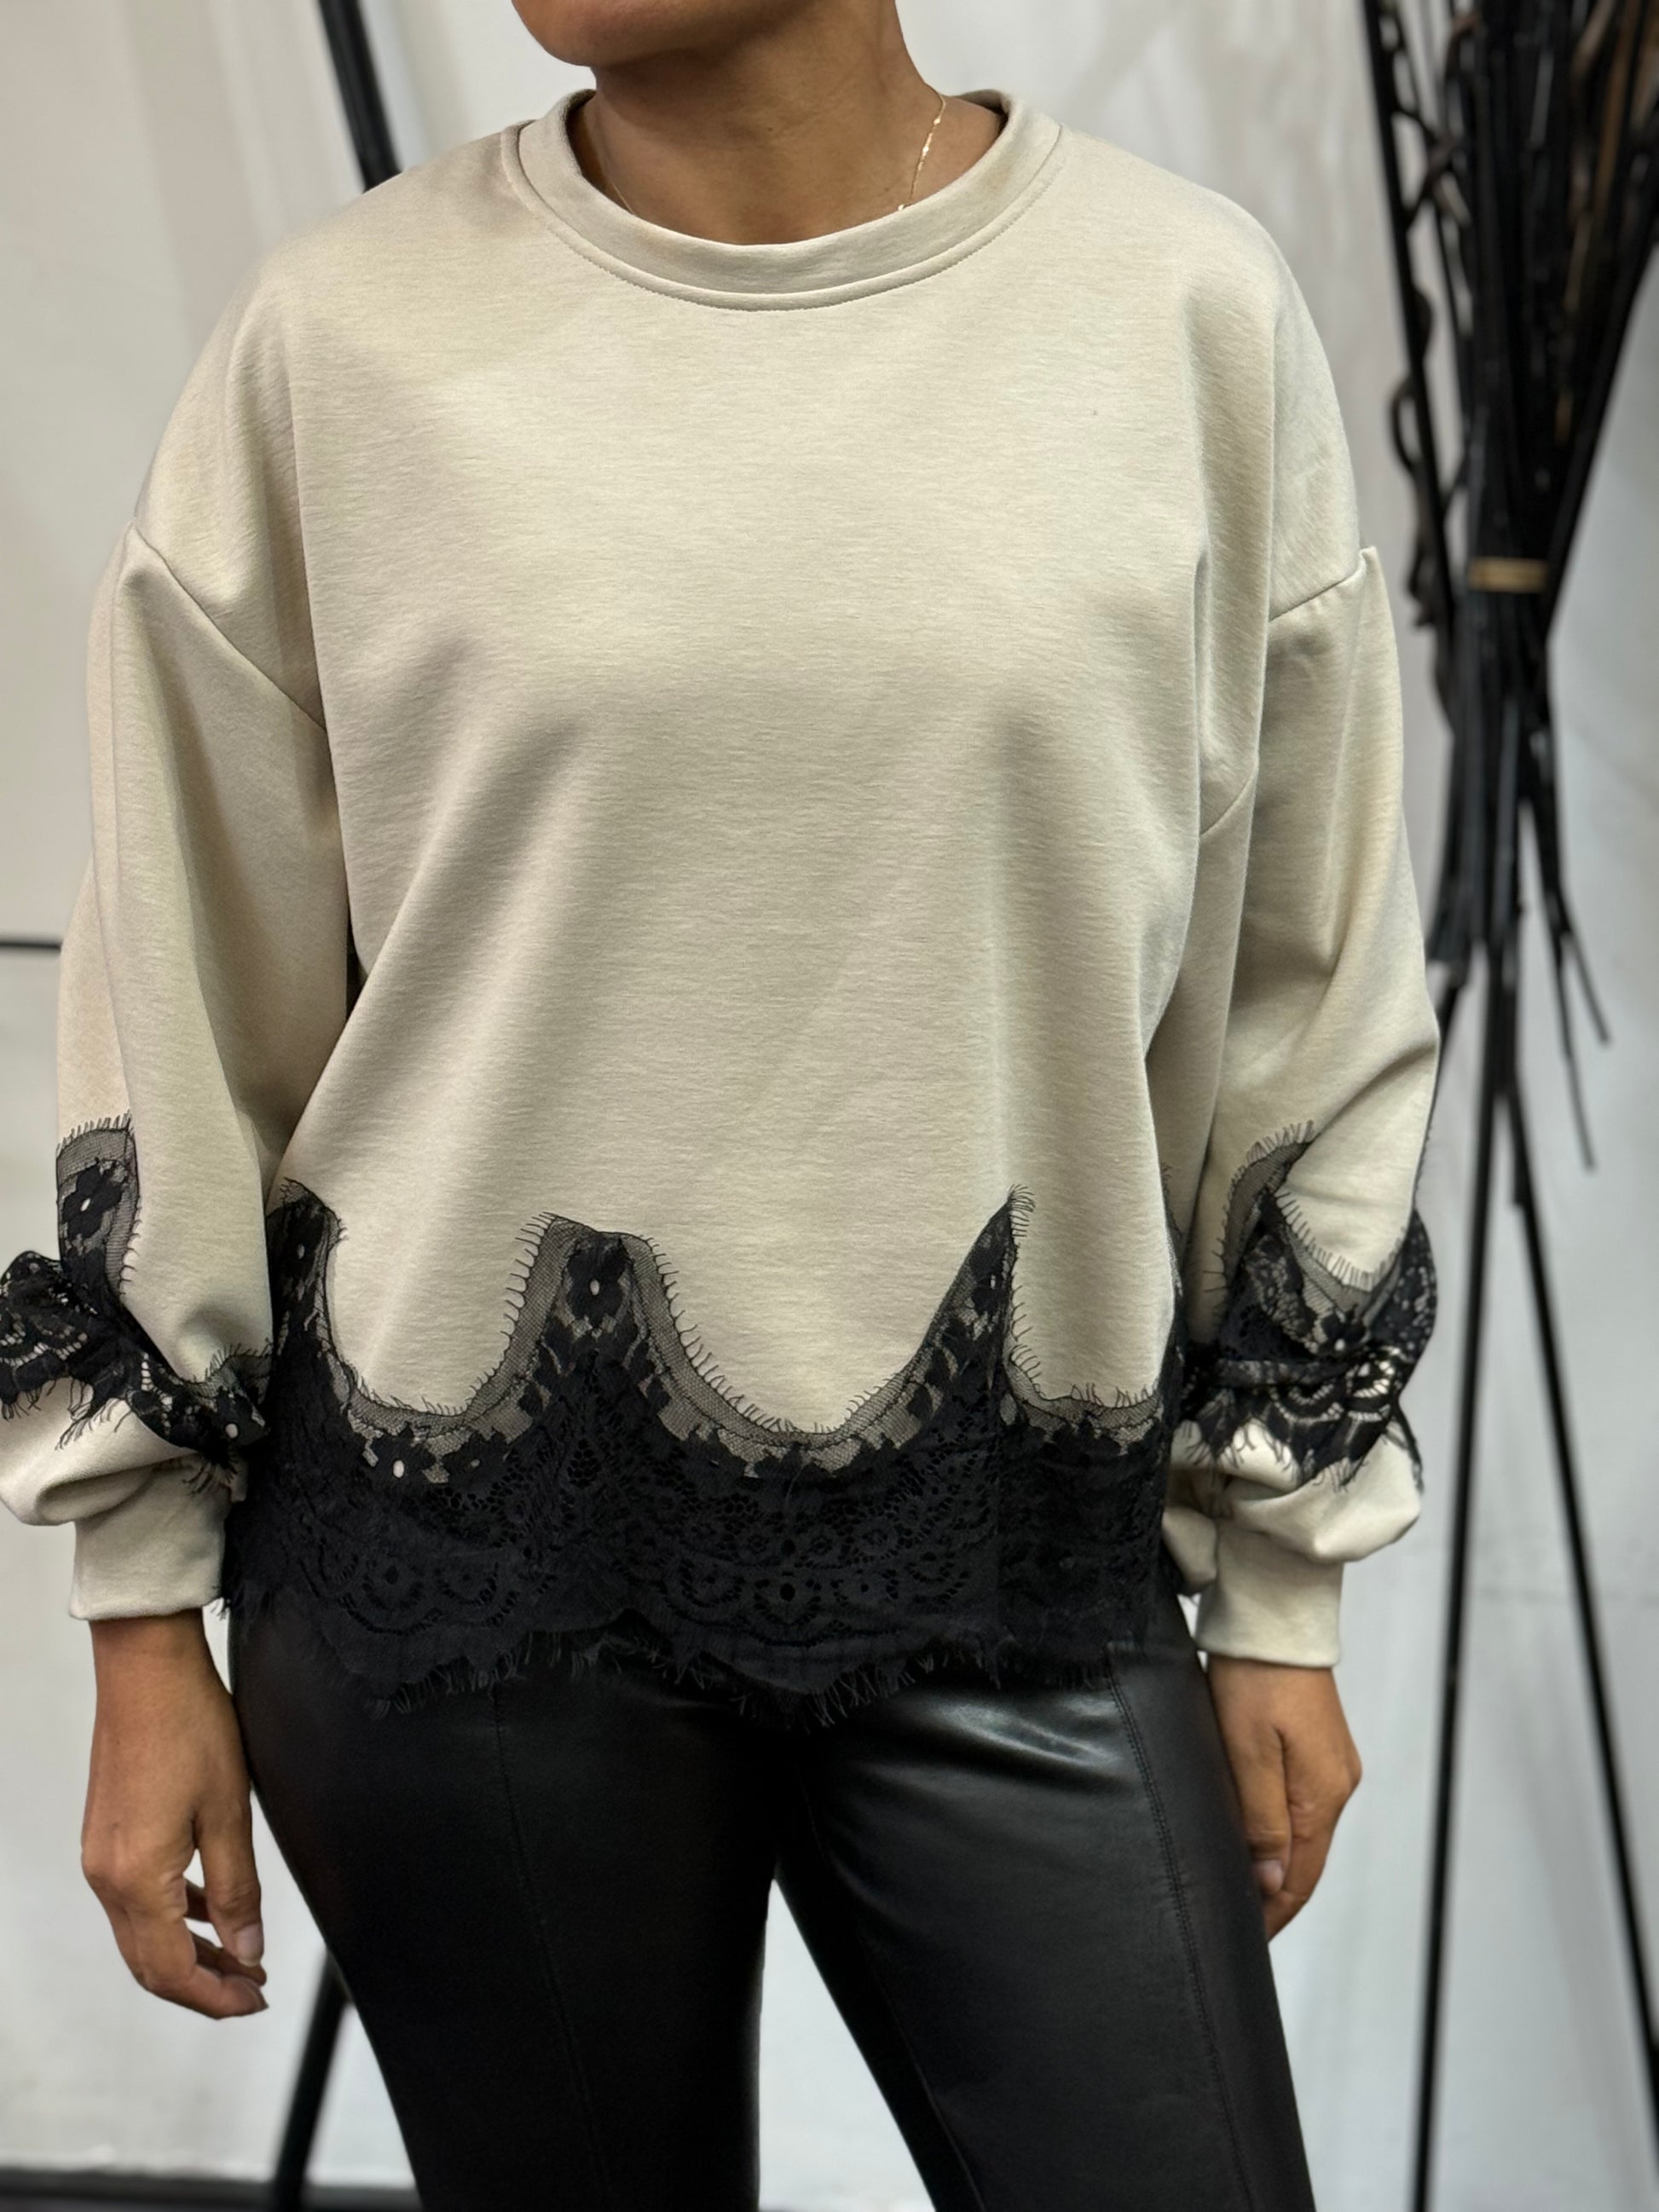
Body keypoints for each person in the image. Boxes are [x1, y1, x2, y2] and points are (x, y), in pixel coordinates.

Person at [0, 2, 1442, 2205]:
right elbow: (185, 1002)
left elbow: (1304, 995)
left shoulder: (1177, 314)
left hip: (1020, 1549)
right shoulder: (342, 345)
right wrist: (138, 1618)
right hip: (459, 1576)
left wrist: (1276, 1586)